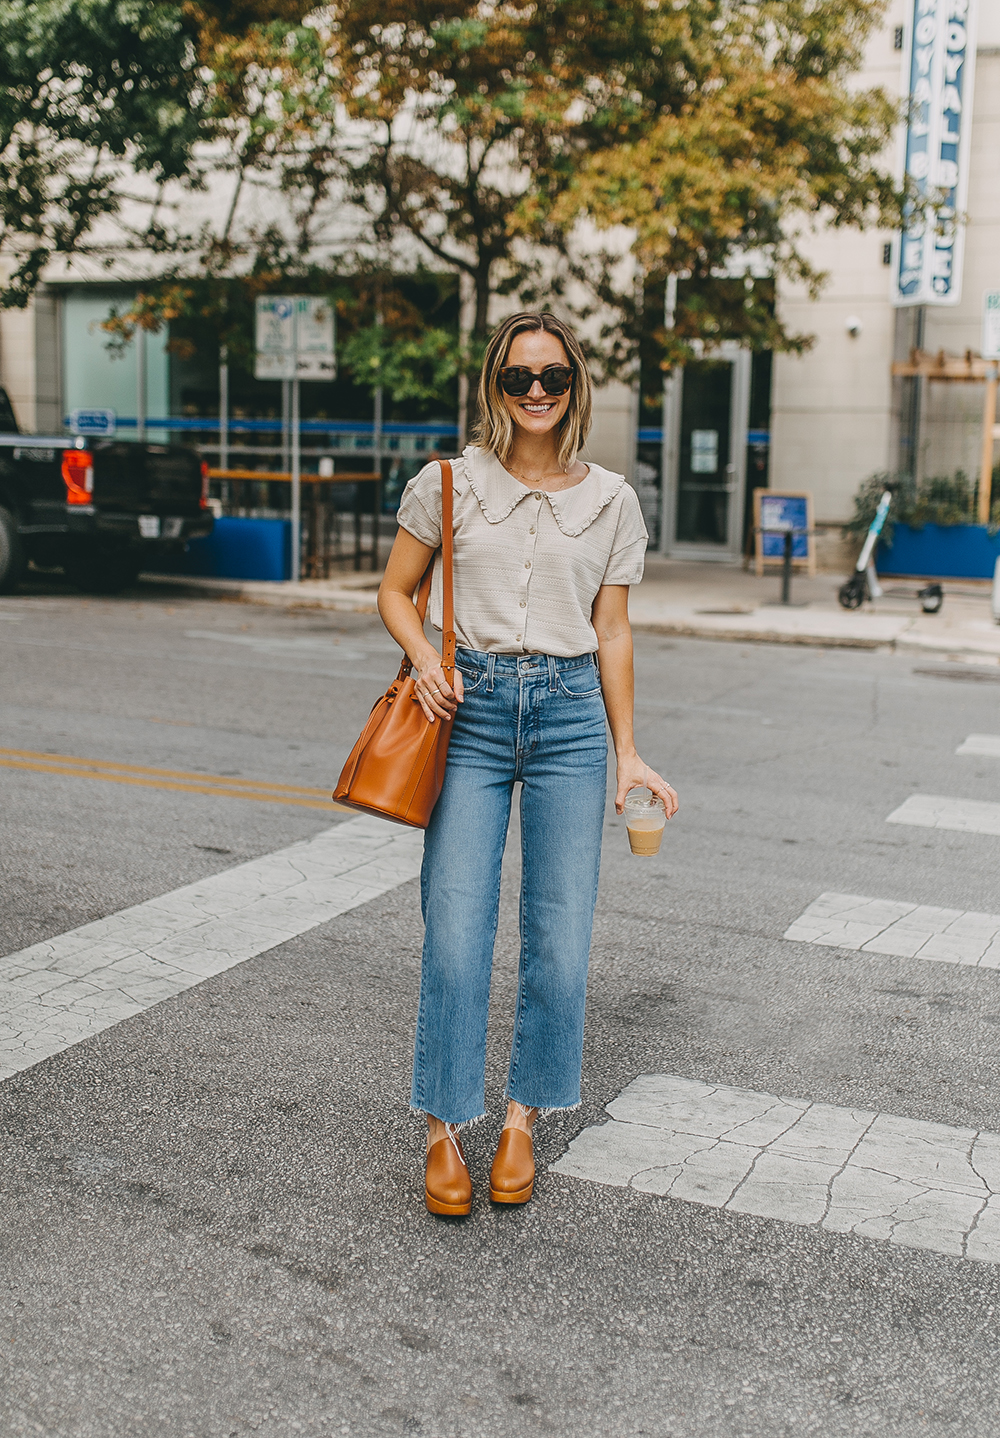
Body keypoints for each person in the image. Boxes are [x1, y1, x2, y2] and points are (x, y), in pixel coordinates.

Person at [377, 311, 678, 1216]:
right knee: (458, 934)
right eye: (520, 378)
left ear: (576, 387)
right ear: (494, 387)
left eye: (554, 378)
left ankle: (519, 1120)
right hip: (466, 711)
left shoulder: (612, 499)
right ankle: (443, 1127)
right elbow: (395, 592)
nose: (538, 393)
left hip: (572, 718)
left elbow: (614, 630)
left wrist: (627, 750)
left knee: (558, 941)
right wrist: (430, 661)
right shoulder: (447, 483)